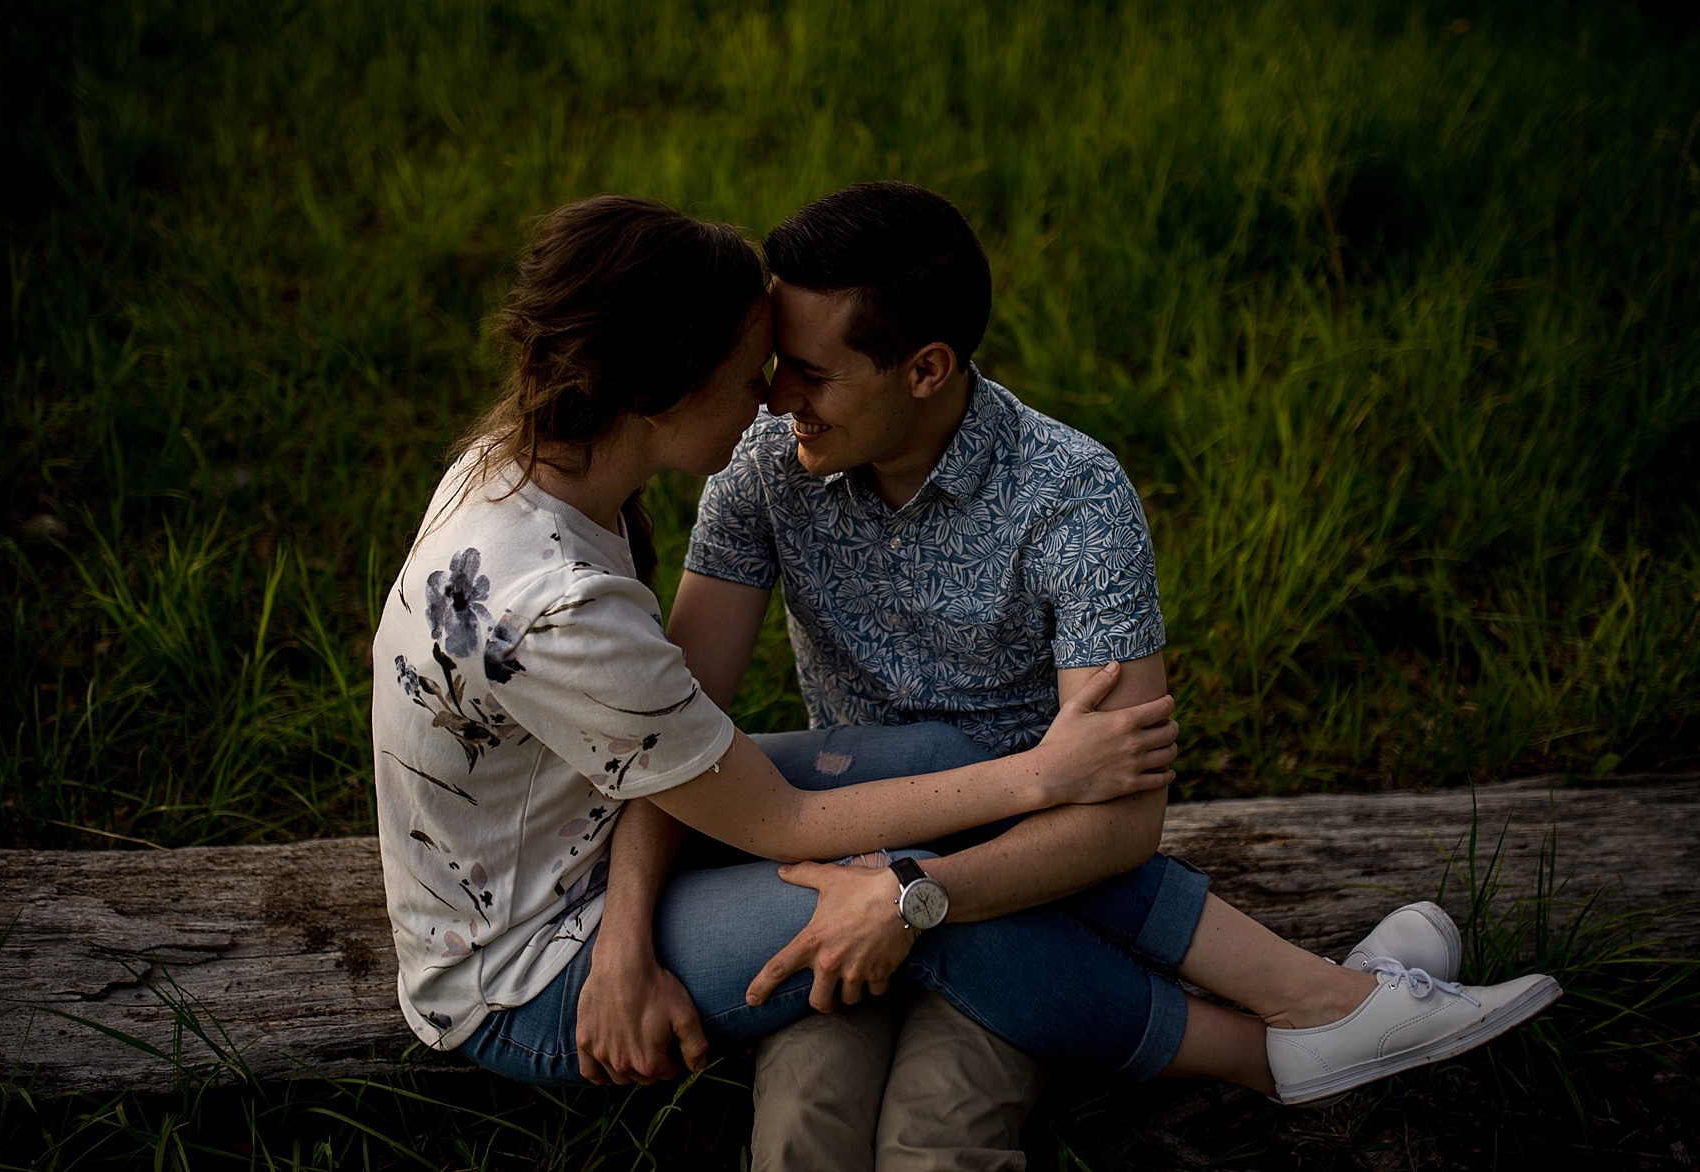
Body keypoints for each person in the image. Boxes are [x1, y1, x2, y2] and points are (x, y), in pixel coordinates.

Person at [372, 193, 1560, 1116]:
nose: (770, 399)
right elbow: (771, 815)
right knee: (932, 900)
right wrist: (1038, 779)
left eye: (793, 369)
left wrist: (961, 829)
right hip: (532, 974)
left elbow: (658, 735)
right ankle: (1289, 1041)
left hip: (592, 857)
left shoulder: (525, 460)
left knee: (934, 793)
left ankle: (1327, 996)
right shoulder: (561, 598)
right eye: (750, 373)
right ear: (658, 387)